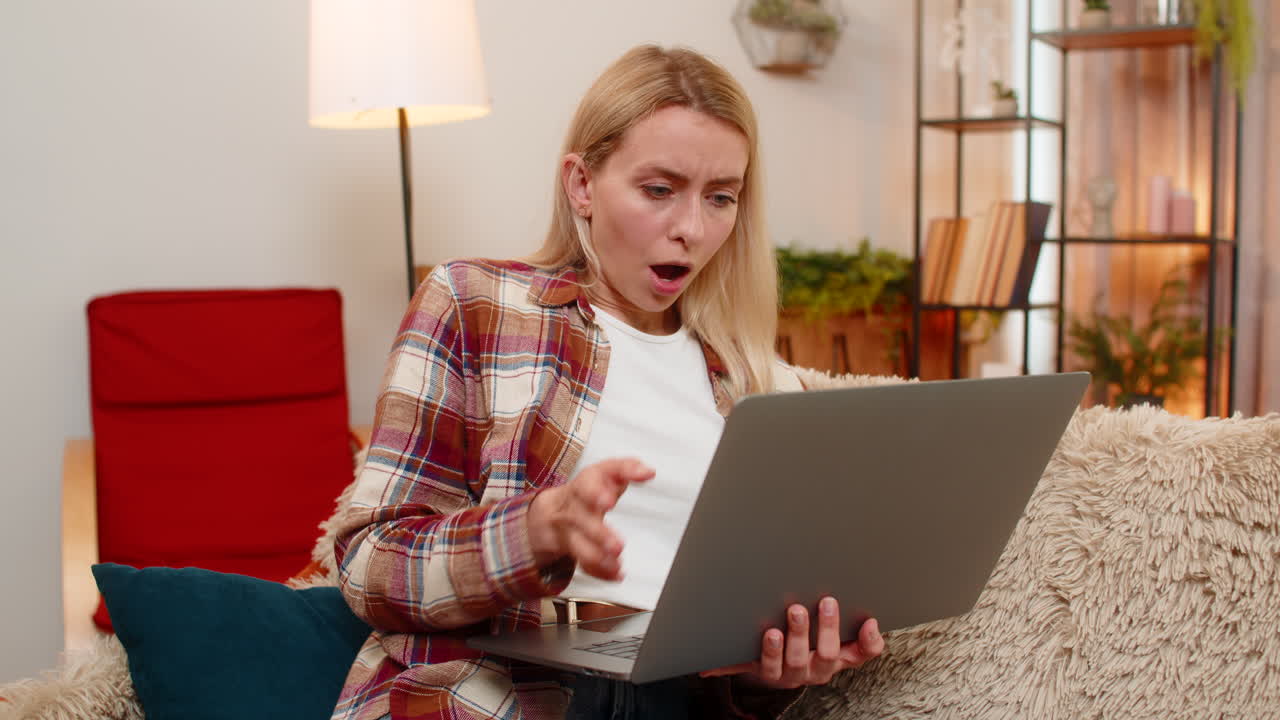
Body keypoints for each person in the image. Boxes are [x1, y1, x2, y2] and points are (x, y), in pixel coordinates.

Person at [330, 45, 884, 720]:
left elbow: (734, 662)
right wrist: (531, 533)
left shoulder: (758, 387)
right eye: (659, 190)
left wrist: (775, 673)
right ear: (583, 185)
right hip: (496, 696)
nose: (691, 229)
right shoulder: (475, 302)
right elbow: (370, 566)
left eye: (721, 198)